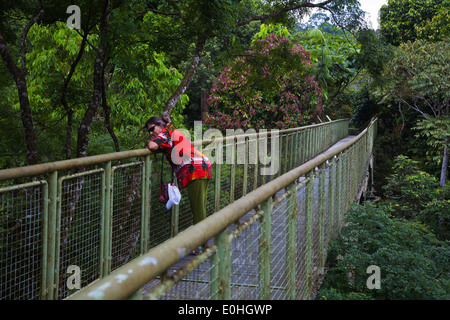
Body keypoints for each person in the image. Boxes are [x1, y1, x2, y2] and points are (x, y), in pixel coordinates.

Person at [145, 116, 212, 253]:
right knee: (200, 207)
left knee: (198, 209)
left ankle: (200, 244)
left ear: (159, 125)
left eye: (152, 129)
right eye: (149, 131)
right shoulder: (171, 131)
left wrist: (155, 140)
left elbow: (152, 145)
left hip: (194, 170)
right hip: (202, 166)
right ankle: (203, 243)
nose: (151, 133)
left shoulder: (165, 134)